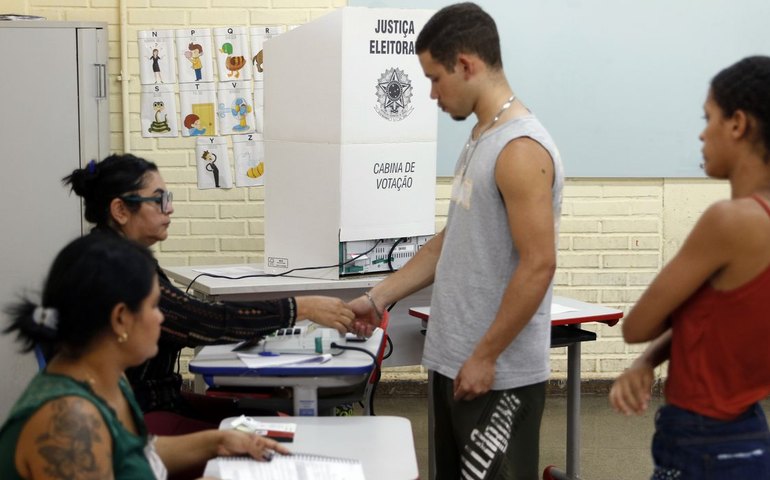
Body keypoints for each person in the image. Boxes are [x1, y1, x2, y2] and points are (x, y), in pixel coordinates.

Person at [351, 3, 564, 478]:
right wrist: (377, 297)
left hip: (495, 375)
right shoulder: (482, 137)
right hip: (455, 359)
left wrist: (485, 357)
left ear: (466, 65)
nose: (430, 94)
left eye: (434, 78)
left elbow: (538, 265)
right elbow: (452, 240)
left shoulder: (520, 149)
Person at [62, 153, 355, 433]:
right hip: (138, 414)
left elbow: (191, 316)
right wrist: (300, 308)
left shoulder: (115, 253)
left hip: (157, 401)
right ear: (121, 210)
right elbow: (200, 322)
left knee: (264, 418)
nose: (170, 208)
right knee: (266, 433)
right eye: (160, 199)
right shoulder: (117, 267)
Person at [0, 233, 289, 479]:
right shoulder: (70, 421)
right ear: (121, 319)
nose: (161, 318)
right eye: (153, 306)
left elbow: (135, 453)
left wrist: (218, 442)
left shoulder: (108, 377)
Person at [609, 56, 770, 478]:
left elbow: (637, 326)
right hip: (748, 434)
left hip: (702, 444)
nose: (702, 132)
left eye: (708, 117)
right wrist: (650, 361)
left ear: (737, 124)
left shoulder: (730, 220)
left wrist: (643, 351)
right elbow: (717, 323)